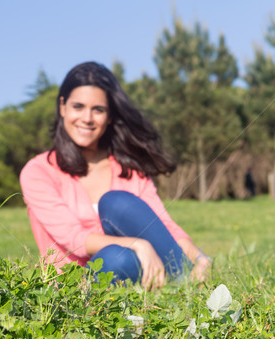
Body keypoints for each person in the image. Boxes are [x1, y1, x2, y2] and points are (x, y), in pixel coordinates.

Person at [20, 62, 211, 288]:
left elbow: (161, 223)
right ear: (62, 107)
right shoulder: (38, 171)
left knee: (117, 202)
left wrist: (199, 257)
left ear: (109, 116)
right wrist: (138, 244)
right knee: (118, 257)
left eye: (98, 110)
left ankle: (188, 288)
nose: (87, 118)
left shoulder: (129, 169)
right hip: (74, 284)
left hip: (132, 269)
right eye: (78, 106)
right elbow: (72, 237)